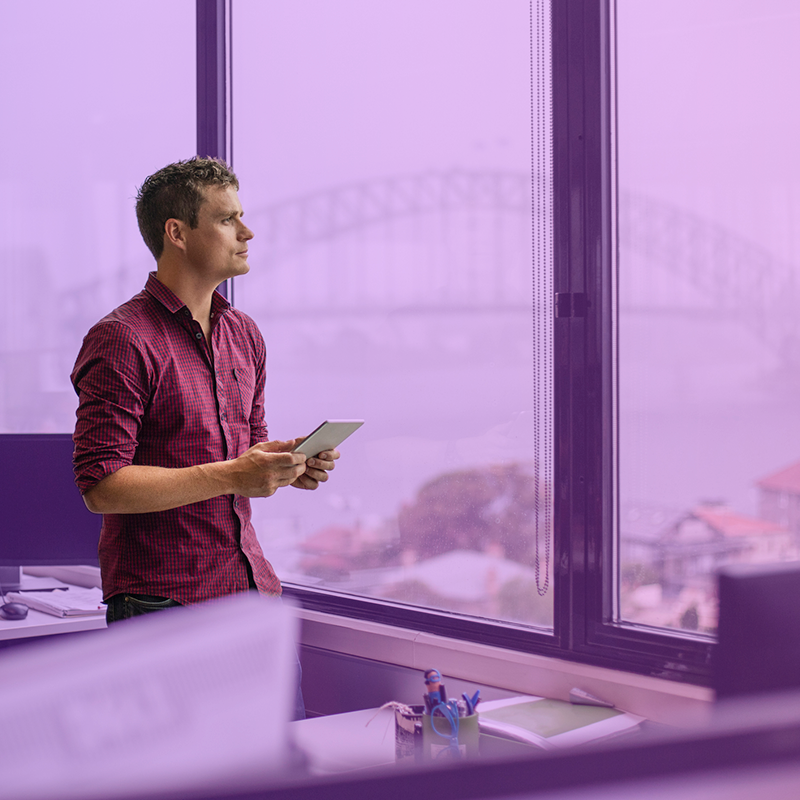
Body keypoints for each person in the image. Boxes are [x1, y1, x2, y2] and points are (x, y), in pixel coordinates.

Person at [71, 157, 338, 654]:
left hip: (252, 596)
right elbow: (102, 486)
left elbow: (243, 451)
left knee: (281, 736)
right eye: (226, 219)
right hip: (162, 608)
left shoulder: (244, 334)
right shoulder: (122, 339)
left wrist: (280, 462)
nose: (247, 231)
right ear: (177, 232)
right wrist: (236, 474)